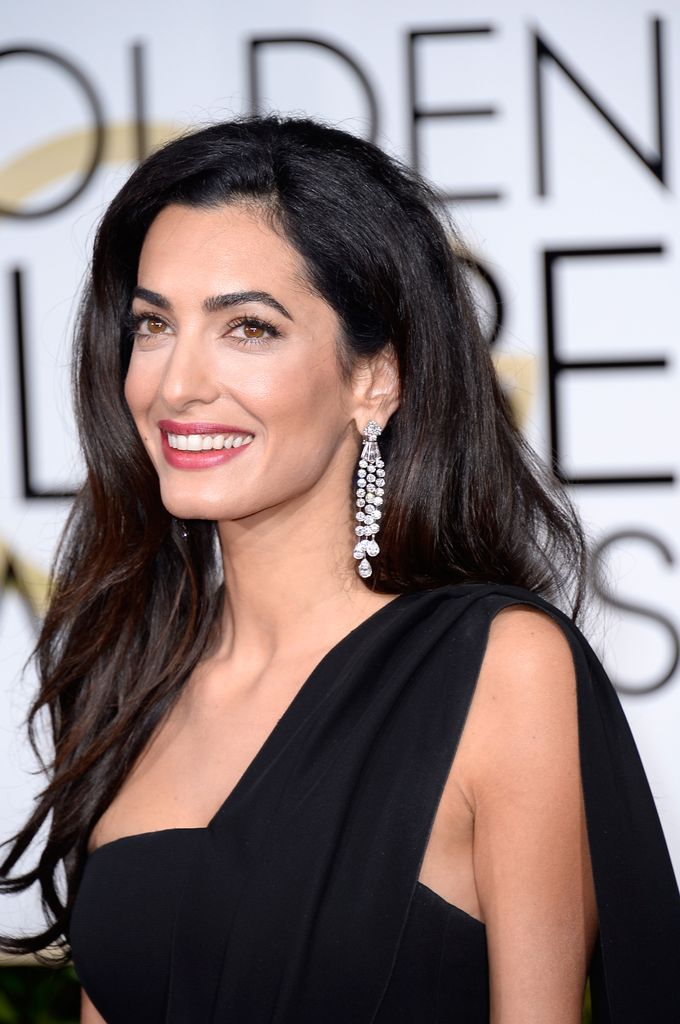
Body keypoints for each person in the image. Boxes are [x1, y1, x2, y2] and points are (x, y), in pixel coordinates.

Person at [1, 115, 679, 1023]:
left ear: (376, 379)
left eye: (248, 327)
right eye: (153, 325)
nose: (175, 385)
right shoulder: (136, 683)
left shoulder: (497, 668)